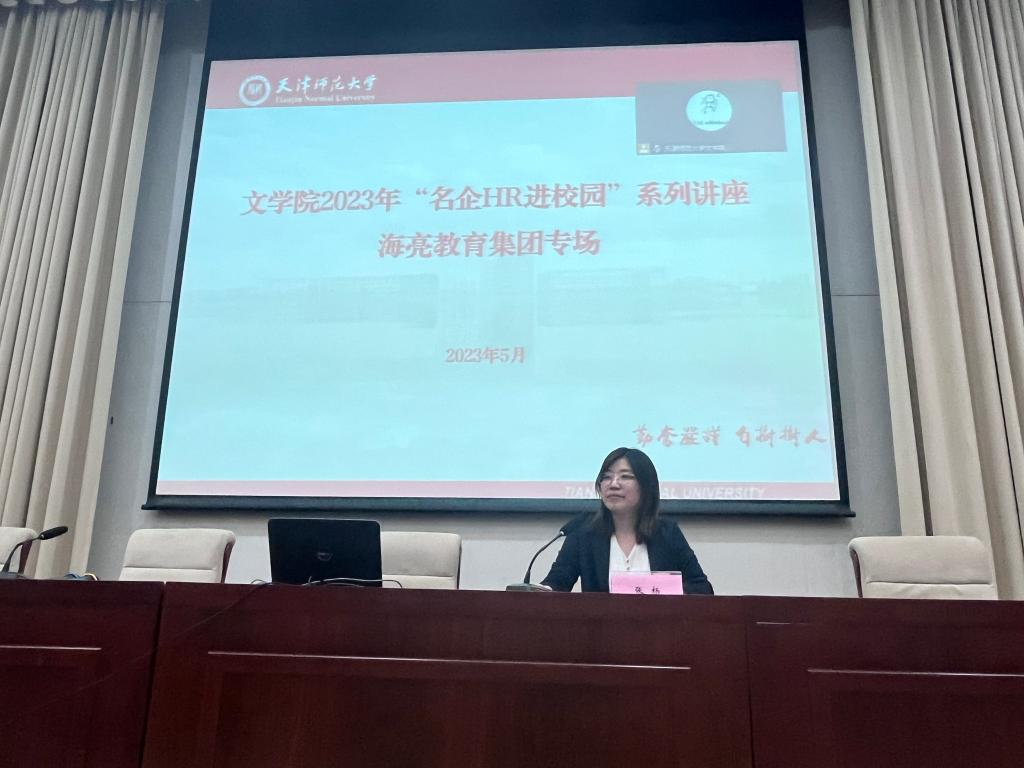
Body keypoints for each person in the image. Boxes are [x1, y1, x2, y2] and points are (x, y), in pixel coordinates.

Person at [541, 447, 713, 594]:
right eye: (606, 477)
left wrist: (667, 591)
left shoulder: (667, 533)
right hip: (601, 624)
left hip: (658, 623)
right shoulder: (583, 534)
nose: (613, 484)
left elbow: (702, 589)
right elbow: (555, 584)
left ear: (645, 486)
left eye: (625, 477)